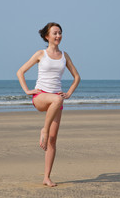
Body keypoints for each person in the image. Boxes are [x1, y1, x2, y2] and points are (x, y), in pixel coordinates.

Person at [17, 22, 80, 187]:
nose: (58, 36)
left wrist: (69, 93)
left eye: (60, 33)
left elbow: (77, 77)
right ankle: (43, 129)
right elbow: (20, 71)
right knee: (57, 100)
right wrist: (27, 90)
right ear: (47, 36)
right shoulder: (40, 54)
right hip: (40, 97)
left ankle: (46, 177)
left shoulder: (65, 56)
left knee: (52, 141)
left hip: (56, 101)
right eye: (55, 33)